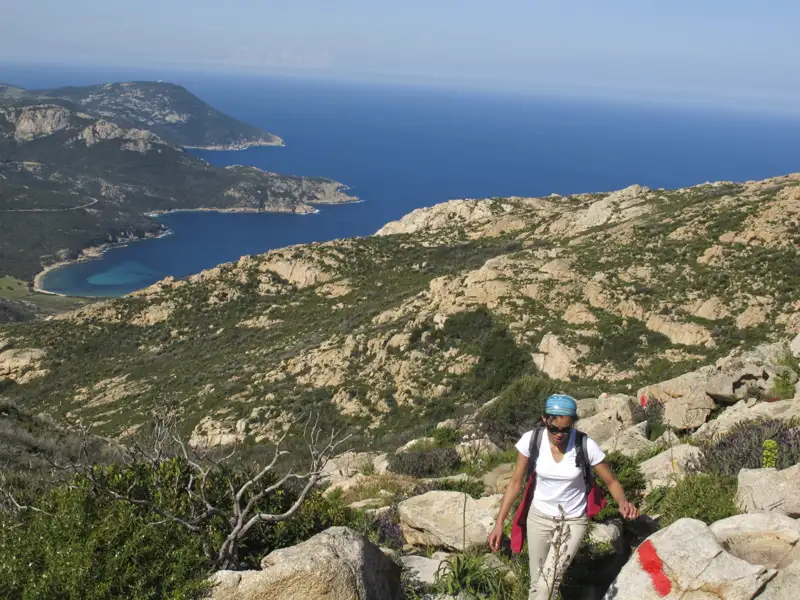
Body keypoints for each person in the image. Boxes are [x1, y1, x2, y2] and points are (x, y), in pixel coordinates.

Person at [488, 393, 639, 600]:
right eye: (554, 429)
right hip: (539, 518)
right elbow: (515, 483)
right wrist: (499, 523)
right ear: (545, 419)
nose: (559, 434)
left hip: (573, 521)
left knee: (548, 582)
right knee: (537, 583)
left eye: (566, 429)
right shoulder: (531, 441)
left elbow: (611, 481)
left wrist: (622, 502)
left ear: (573, 424)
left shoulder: (585, 445)